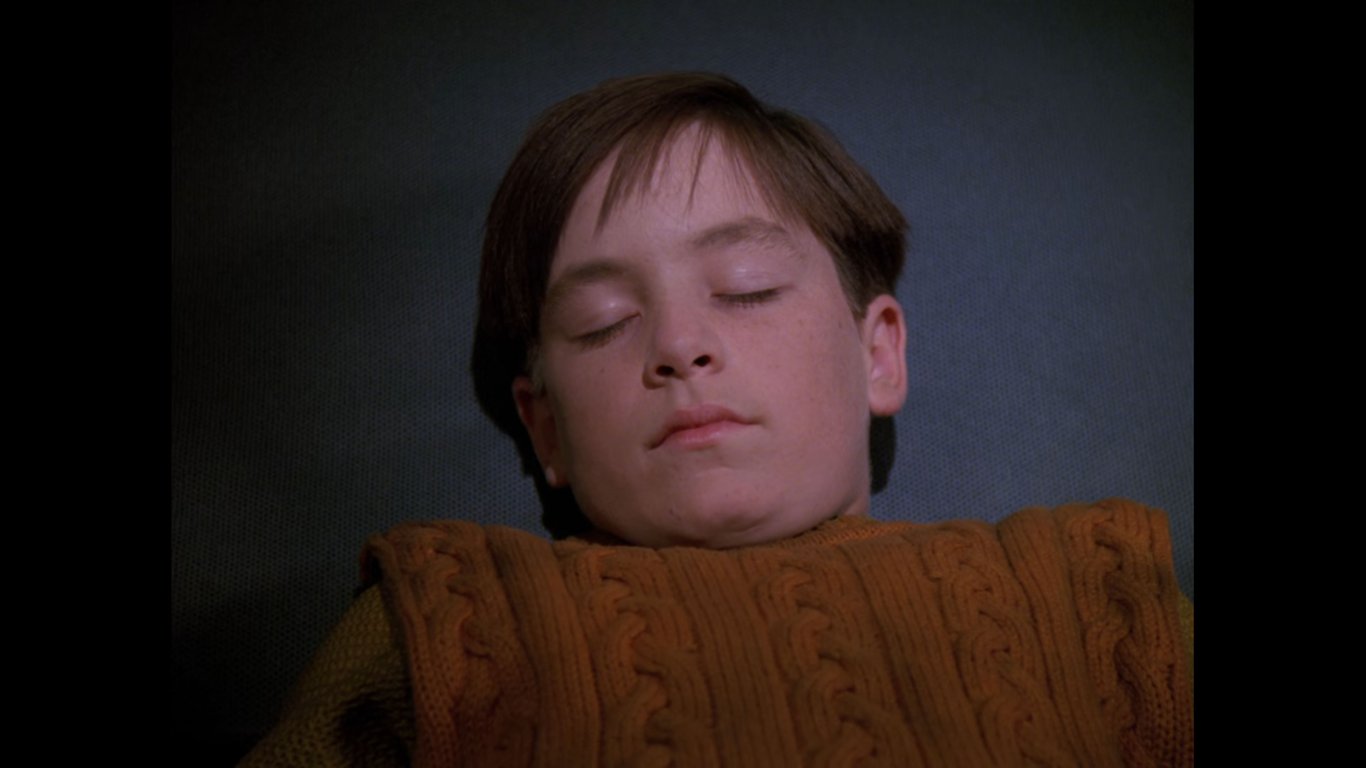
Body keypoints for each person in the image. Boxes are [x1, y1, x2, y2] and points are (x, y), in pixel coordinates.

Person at [242, 73, 1193, 767]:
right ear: (546, 430)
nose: (679, 345)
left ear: (878, 354)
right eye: (603, 322)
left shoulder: (1088, 589)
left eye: (746, 287)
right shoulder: (446, 613)